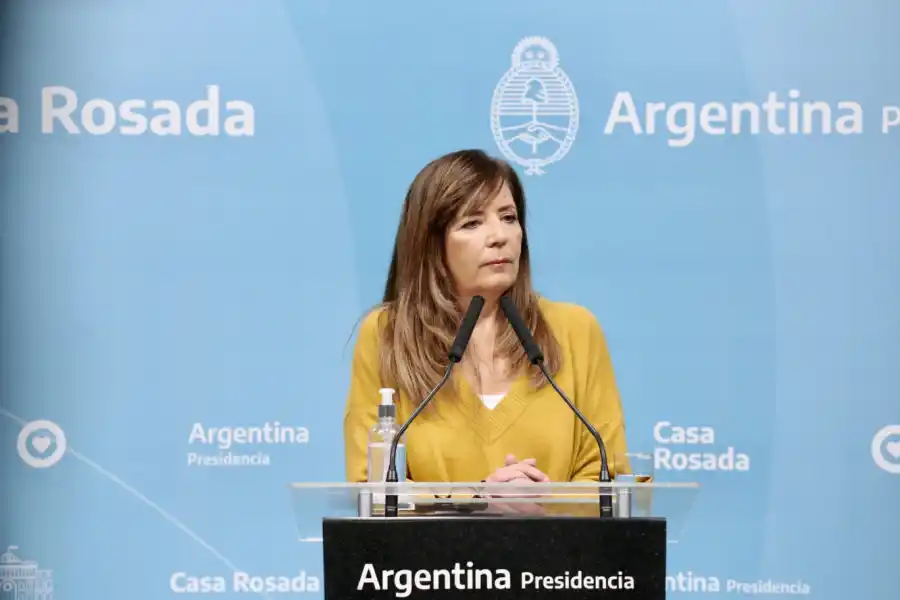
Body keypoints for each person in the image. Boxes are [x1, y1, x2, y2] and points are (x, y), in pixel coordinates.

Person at [343, 149, 628, 485]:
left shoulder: (574, 330)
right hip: (430, 541)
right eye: (472, 223)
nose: (500, 237)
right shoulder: (386, 335)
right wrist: (479, 504)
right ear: (431, 244)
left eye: (508, 217)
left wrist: (544, 506)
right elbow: (372, 486)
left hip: (558, 538)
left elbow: (608, 476)